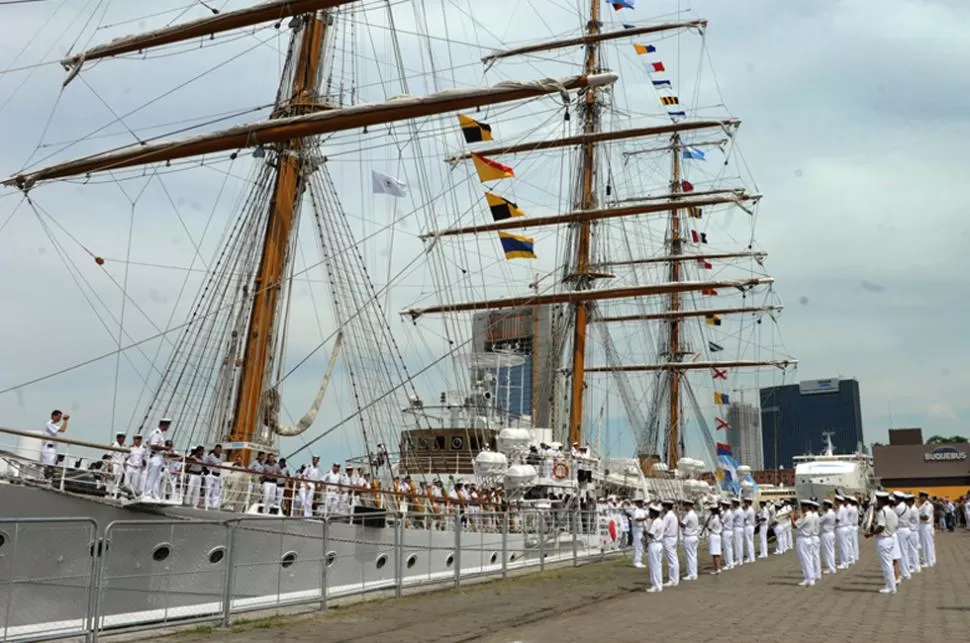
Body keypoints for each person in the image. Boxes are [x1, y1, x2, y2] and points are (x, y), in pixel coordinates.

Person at [866, 491, 898, 594]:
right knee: (888, 563)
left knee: (886, 565)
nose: (877, 503)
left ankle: (891, 586)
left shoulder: (882, 512)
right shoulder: (891, 511)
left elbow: (881, 526)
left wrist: (871, 534)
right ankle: (890, 584)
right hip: (891, 538)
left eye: (878, 501)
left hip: (884, 539)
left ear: (882, 501)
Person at [142, 418, 171, 500]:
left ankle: (154, 494)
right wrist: (165, 448)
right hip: (154, 457)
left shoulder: (160, 434)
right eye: (168, 425)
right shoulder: (156, 433)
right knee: (152, 477)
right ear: (164, 424)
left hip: (159, 457)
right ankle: (147, 494)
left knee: (156, 478)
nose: (168, 427)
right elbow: (153, 445)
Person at [792, 499, 818, 587]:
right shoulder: (808, 515)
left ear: (806, 507)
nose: (801, 508)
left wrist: (791, 517)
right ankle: (809, 578)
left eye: (802, 506)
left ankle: (809, 578)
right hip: (807, 539)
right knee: (808, 559)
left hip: (803, 539)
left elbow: (795, 525)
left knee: (805, 560)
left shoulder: (807, 516)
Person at [645, 503, 665, 593]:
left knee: (654, 566)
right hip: (659, 544)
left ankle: (655, 585)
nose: (649, 513)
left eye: (650, 512)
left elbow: (651, 534)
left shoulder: (656, 522)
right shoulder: (660, 521)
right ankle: (658, 584)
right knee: (658, 565)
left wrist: (645, 532)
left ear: (653, 513)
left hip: (654, 543)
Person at [660, 499, 680, 587]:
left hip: (668, 538)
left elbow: (662, 528)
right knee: (674, 559)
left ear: (666, 507)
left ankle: (673, 579)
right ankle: (675, 579)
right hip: (673, 538)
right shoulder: (674, 515)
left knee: (671, 560)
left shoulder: (667, 516)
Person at [679, 499, 699, 581]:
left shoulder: (689, 515)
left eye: (685, 505)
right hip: (693, 536)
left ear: (688, 505)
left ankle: (691, 574)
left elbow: (682, 524)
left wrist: (677, 517)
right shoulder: (694, 514)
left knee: (690, 556)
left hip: (689, 536)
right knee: (693, 556)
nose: (684, 507)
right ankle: (693, 573)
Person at [917, 491, 936, 568]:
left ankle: (927, 561)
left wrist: (916, 515)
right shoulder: (923, 505)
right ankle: (931, 560)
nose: (919, 499)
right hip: (924, 526)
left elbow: (926, 517)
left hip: (925, 526)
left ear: (924, 497)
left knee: (926, 544)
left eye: (921, 497)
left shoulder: (927, 505)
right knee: (929, 544)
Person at [819, 499, 838, 575]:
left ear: (827, 506)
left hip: (826, 534)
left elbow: (819, 521)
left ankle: (831, 568)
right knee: (831, 551)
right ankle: (832, 566)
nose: (823, 507)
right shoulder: (832, 513)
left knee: (827, 552)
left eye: (824, 505)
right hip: (831, 533)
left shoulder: (827, 514)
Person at [203, 444, 224, 510]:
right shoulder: (210, 456)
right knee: (209, 490)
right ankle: (207, 504)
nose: (218, 451)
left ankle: (214, 505)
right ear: (215, 449)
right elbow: (204, 463)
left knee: (216, 491)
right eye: (217, 449)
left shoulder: (221, 457)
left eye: (220, 450)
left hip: (217, 475)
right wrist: (207, 471)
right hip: (211, 474)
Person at [707, 503, 723, 575]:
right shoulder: (719, 517)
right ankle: (718, 567)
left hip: (713, 535)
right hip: (718, 536)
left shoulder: (713, 518)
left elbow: (709, 528)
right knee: (717, 553)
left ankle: (716, 568)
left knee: (714, 554)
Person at [630, 499, 647, 568]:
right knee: (638, 545)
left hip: (641, 528)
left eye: (641, 502)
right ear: (637, 503)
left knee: (640, 545)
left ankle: (637, 560)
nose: (641, 504)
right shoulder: (636, 510)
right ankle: (637, 561)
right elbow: (637, 519)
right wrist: (645, 518)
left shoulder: (642, 510)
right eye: (640, 503)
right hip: (637, 528)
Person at [720, 499, 735, 570]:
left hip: (726, 531)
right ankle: (730, 563)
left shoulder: (727, 513)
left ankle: (729, 564)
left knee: (727, 549)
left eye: (723, 505)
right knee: (729, 548)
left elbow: (722, 522)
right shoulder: (729, 512)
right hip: (729, 531)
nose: (722, 506)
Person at [742, 497, 756, 563]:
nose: (744, 503)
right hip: (750, 526)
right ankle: (751, 557)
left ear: (748, 502)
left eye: (746, 502)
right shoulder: (750, 509)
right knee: (750, 542)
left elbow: (744, 517)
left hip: (748, 527)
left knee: (749, 543)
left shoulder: (749, 510)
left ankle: (750, 557)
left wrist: (743, 509)